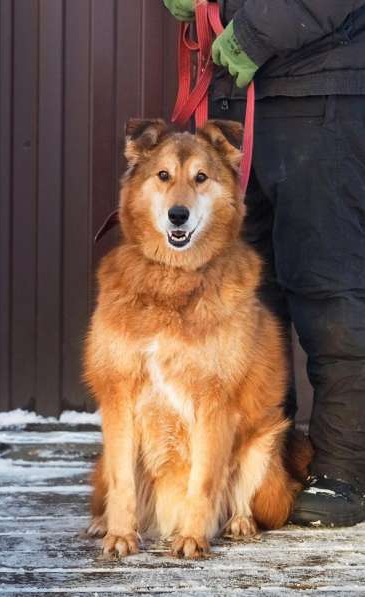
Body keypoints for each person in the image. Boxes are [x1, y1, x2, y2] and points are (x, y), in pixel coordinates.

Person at [163, 0, 365, 527]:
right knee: (247, 299)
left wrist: (252, 32)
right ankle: (270, 463)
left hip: (321, 99)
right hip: (235, 100)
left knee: (329, 289)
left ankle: (343, 471)